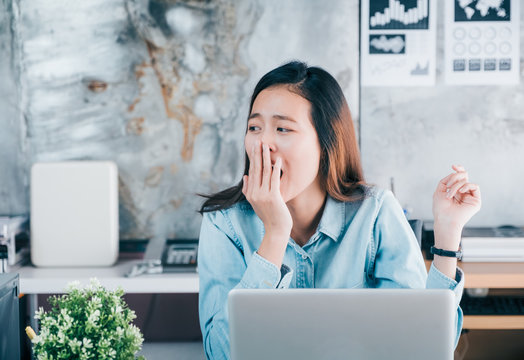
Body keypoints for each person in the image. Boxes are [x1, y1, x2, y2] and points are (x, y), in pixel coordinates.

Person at [197, 61, 481, 360]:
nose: (262, 145)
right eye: (254, 128)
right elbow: (220, 354)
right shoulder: (223, 223)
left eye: (282, 128)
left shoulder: (375, 213)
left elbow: (424, 348)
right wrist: (275, 235)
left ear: (326, 143)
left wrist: (447, 236)